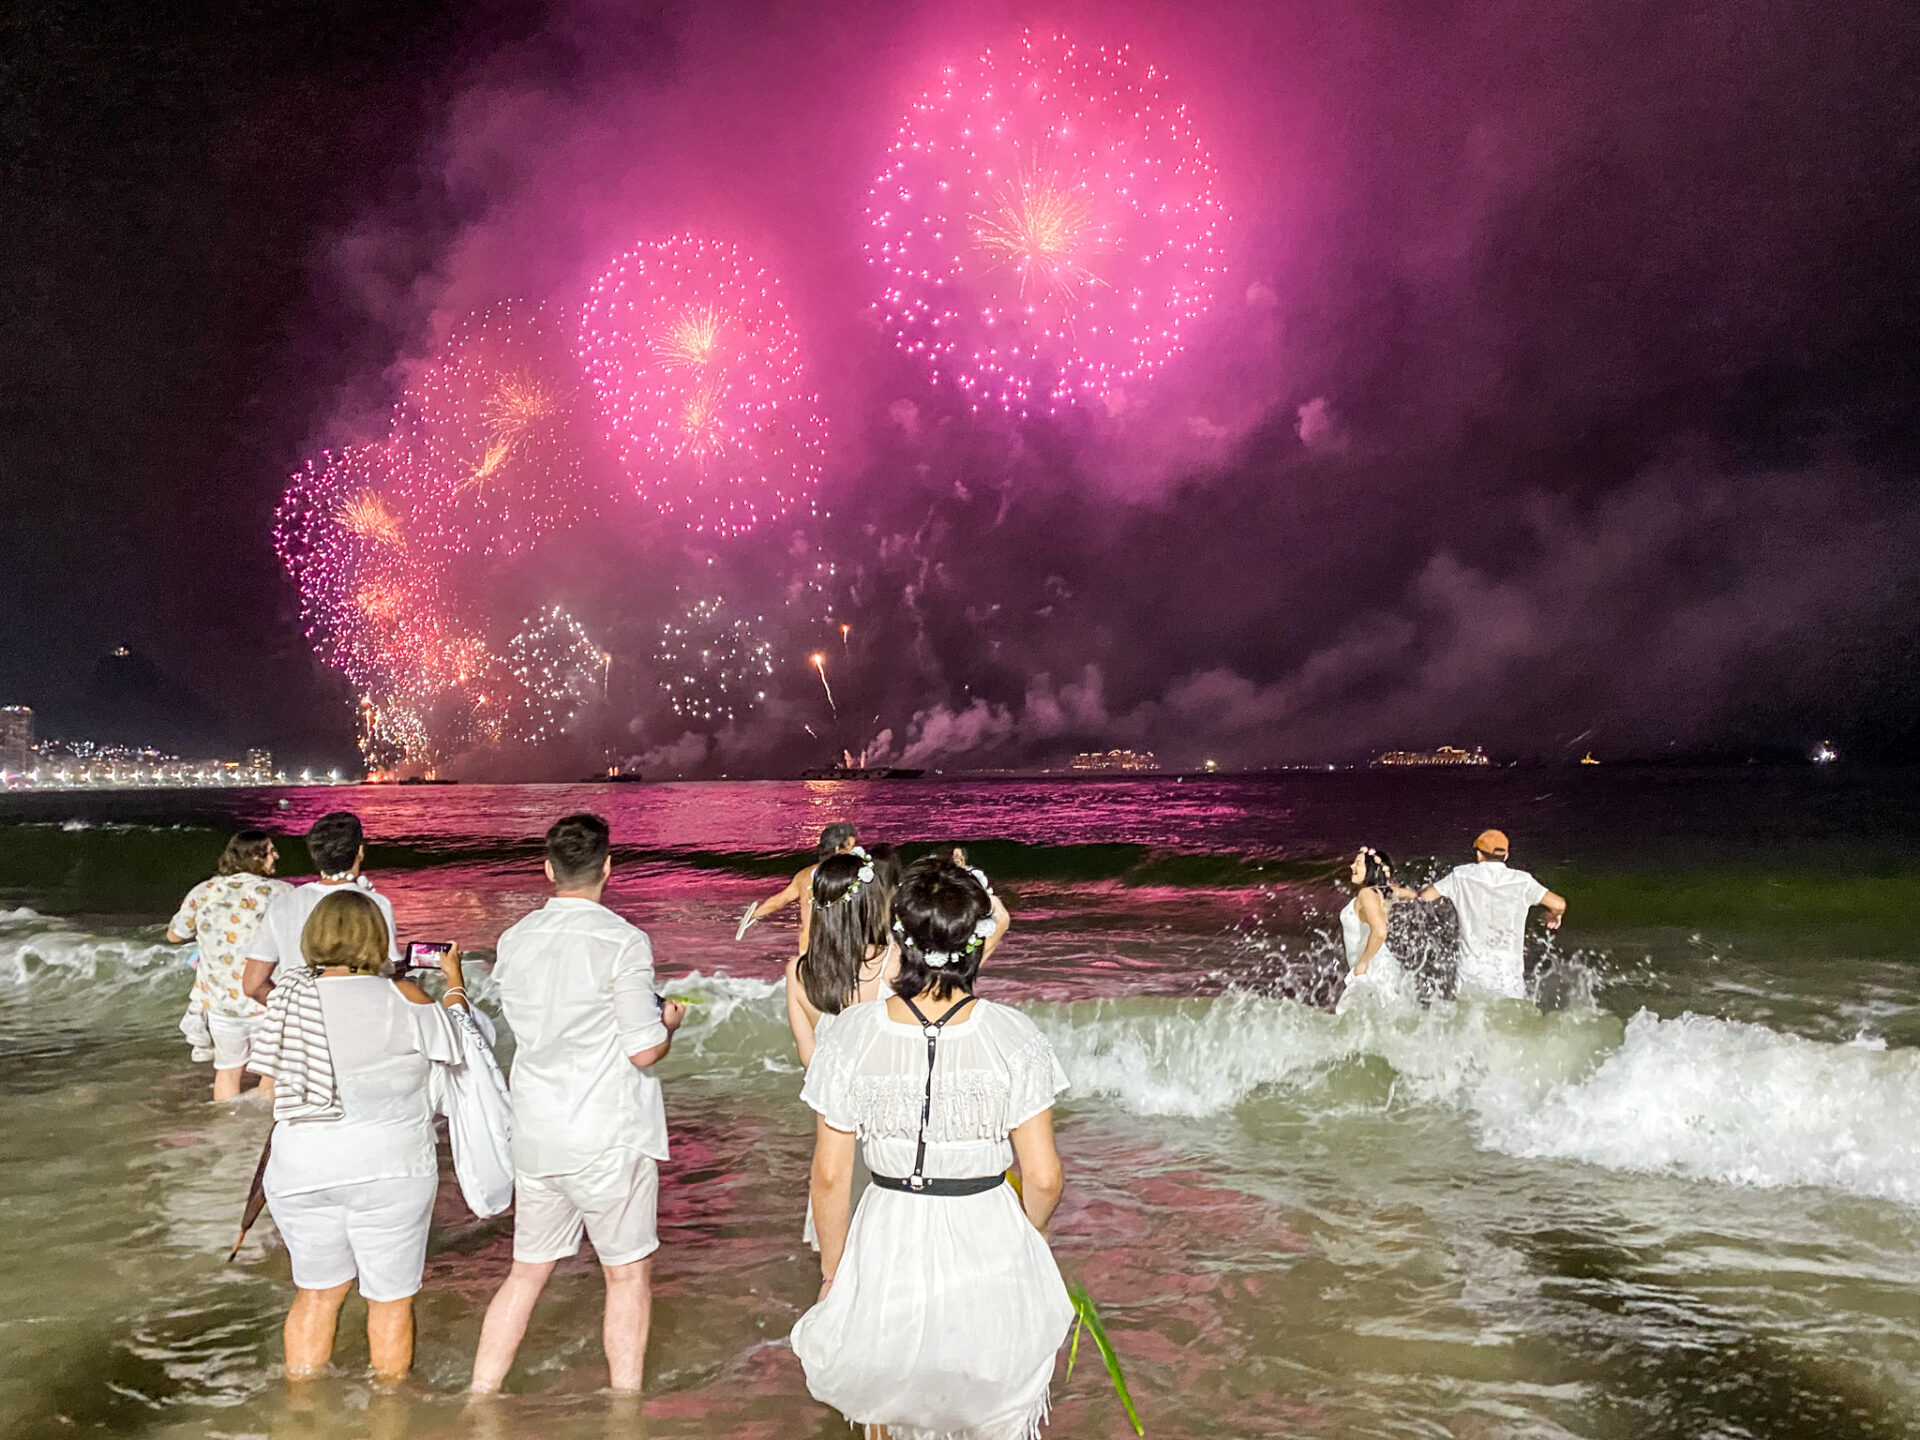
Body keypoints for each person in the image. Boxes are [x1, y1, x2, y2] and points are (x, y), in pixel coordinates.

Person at [791, 856, 1073, 1440]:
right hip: (984, 1225)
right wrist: (1029, 1234)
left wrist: (833, 1271)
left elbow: (828, 1176)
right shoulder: (1013, 1036)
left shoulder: (850, 1035)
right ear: (974, 945)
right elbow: (1044, 1177)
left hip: (889, 1227)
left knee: (887, 1402)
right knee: (982, 1405)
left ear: (900, 938)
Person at [469, 813, 686, 1396]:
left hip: (537, 1134)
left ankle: (478, 1396)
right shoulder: (622, 941)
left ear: (548, 870)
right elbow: (643, 1052)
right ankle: (623, 1408)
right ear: (608, 869)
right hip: (608, 1136)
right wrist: (669, 1024)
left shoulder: (514, 939)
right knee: (627, 1275)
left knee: (526, 1274)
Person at [255, 889, 472, 1381]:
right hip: (388, 1170)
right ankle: (387, 1418)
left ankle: (303, 1414)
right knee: (390, 1300)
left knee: (316, 1292)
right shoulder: (404, 997)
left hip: (299, 1169)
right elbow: (460, 1045)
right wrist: (453, 980)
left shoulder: (291, 998)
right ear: (379, 937)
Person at [168, 829, 290, 1099]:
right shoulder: (280, 892)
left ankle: (226, 1132)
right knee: (272, 1073)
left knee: (228, 1071)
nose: (276, 856)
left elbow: (174, 935)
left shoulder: (205, 891)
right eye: (271, 851)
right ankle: (258, 1134)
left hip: (220, 1001)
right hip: (264, 995)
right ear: (255, 857)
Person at [242, 812, 400, 1005]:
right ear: (359, 851)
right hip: (357, 1013)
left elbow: (253, 985)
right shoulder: (375, 903)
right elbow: (389, 970)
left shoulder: (284, 903)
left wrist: (290, 1010)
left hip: (301, 1025)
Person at [1416, 829, 1567, 1001]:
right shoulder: (1523, 881)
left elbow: (1425, 897)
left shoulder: (1461, 876)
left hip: (1471, 973)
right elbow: (1559, 904)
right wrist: (1553, 915)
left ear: (1479, 855)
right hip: (1507, 975)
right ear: (1506, 855)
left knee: (1471, 1021)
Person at [785, 850, 897, 1069]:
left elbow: (809, 1058)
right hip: (888, 1093)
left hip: (833, 1095)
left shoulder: (798, 970)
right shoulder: (893, 959)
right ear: (871, 904)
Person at [735, 822, 859, 953]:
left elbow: (779, 901)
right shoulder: (851, 876)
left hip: (808, 948)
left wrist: (752, 916)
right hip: (839, 946)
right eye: (851, 847)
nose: (854, 851)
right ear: (837, 849)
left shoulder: (804, 876)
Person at [1335, 846, 1417, 1011]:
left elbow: (1380, 931)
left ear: (1371, 868)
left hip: (1372, 970)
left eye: (1358, 863)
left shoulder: (1367, 894)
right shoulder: (1384, 892)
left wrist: (1362, 963)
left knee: (1350, 1018)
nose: (1352, 866)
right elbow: (1414, 895)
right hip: (1383, 967)